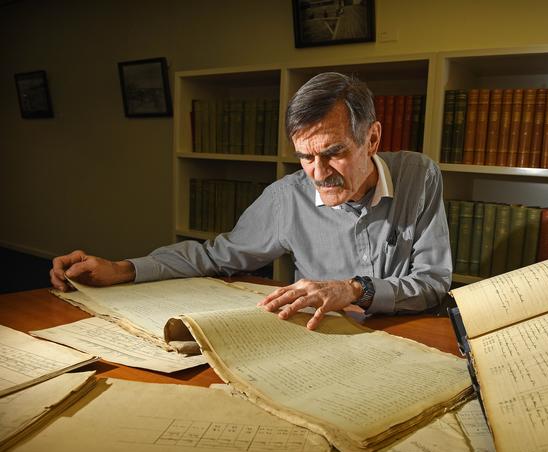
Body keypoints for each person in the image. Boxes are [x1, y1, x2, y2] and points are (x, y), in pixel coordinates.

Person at [50, 72, 452, 330]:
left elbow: (434, 282)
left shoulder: (419, 175)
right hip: (322, 341)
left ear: (373, 139)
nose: (318, 172)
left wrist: (353, 289)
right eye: (305, 156)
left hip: (411, 334)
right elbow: (212, 256)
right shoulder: (285, 197)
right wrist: (121, 270)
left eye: (334, 152)